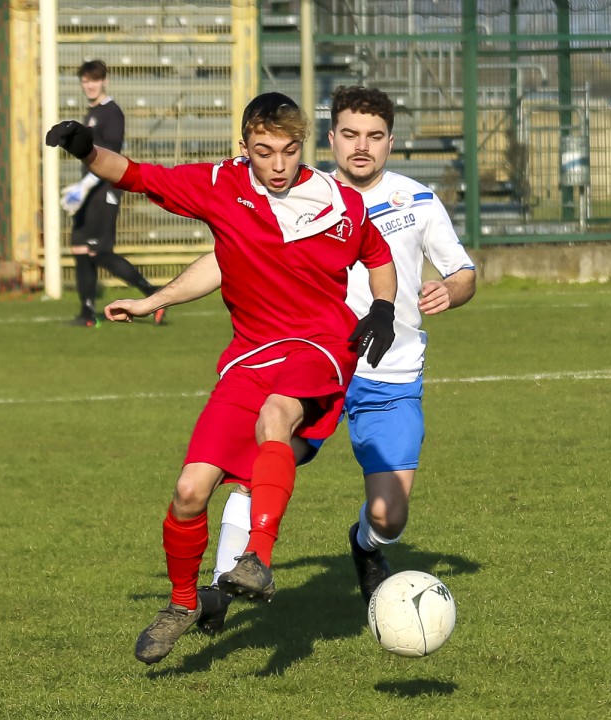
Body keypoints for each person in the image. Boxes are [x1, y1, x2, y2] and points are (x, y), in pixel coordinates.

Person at [46, 91, 398, 664]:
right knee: (189, 492)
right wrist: (85, 148)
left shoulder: (339, 202)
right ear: (243, 147)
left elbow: (378, 256)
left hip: (321, 345)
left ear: (302, 145)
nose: (278, 165)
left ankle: (258, 556)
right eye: (264, 152)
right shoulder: (219, 185)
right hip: (249, 356)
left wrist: (381, 308)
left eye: (289, 151)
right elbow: (133, 174)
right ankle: (183, 603)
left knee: (276, 416)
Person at [195, 85, 477, 633]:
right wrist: (160, 296)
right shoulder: (301, 194)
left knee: (389, 517)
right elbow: (224, 255)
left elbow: (462, 271)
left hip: (390, 376)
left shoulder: (418, 201)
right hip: (311, 367)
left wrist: (452, 289)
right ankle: (221, 585)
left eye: (374, 136)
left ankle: (365, 544)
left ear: (390, 142)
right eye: (350, 134)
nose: (361, 146)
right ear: (331, 139)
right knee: (258, 462)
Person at [63, 59, 164, 328]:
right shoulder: (91, 114)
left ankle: (153, 294)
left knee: (100, 252)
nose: (90, 86)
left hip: (105, 190)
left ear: (104, 81)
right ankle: (87, 315)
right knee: (80, 247)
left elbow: (112, 157)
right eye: (86, 81)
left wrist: (84, 187)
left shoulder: (112, 113)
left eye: (94, 80)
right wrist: (81, 188)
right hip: (89, 190)